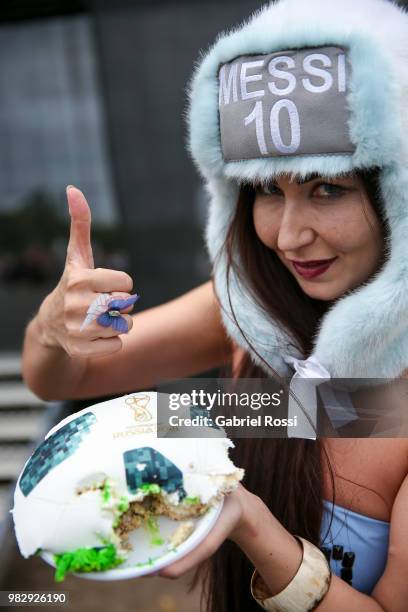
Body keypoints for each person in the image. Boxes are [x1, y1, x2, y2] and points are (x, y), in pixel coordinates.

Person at [22, 0, 408, 610]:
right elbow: (53, 381)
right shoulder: (245, 316)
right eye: (264, 191)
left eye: (327, 187)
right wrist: (54, 328)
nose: (288, 236)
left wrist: (253, 528)